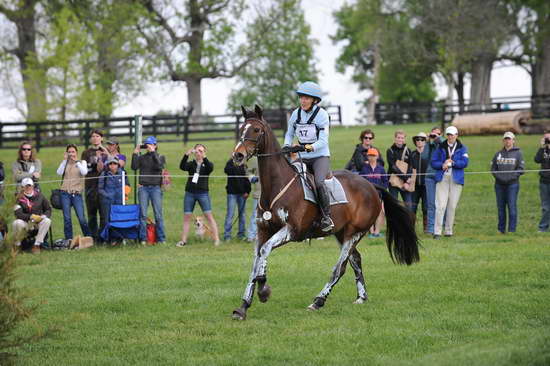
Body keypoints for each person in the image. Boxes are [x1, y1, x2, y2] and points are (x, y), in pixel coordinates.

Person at [283, 81, 334, 232]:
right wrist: (287, 145)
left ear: (314, 100)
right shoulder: (295, 114)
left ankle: (326, 217)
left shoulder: (322, 115)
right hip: (302, 156)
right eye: (301, 98)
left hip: (320, 156)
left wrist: (310, 147)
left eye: (306, 98)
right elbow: (289, 133)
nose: (303, 101)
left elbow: (324, 140)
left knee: (318, 182)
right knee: (292, 180)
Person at [177, 143, 220, 247]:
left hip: (203, 193)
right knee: (187, 217)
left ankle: (216, 239)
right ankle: (183, 241)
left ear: (204, 152)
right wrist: (186, 154)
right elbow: (182, 166)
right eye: (197, 151)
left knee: (209, 216)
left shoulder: (207, 164)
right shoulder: (191, 164)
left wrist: (204, 156)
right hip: (190, 193)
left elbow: (210, 168)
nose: (199, 153)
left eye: (201, 151)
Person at [431, 126, 469, 239]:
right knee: (440, 205)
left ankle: (448, 231)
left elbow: (465, 162)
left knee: (452, 206)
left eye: (452, 135)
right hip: (442, 177)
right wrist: (442, 164)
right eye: (448, 135)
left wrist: (453, 163)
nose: (450, 137)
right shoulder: (440, 147)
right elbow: (433, 162)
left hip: (456, 178)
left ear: (457, 135)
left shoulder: (462, 148)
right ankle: (437, 232)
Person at [132, 136, 166, 245]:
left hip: (155, 188)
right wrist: (135, 153)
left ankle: (161, 239)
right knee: (143, 214)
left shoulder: (160, 156)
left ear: (155, 145)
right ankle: (143, 239)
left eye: (151, 144)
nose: (148, 146)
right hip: (143, 188)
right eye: (147, 144)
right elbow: (134, 167)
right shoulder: (142, 157)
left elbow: (159, 166)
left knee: (158, 214)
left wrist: (153, 153)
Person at [491, 132, 525, 234]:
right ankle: (501, 229)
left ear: (513, 140)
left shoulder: (518, 153)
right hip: (499, 185)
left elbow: (521, 169)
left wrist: (510, 177)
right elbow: (493, 169)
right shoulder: (498, 154)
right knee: (501, 208)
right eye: (505, 139)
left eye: (509, 139)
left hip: (512, 185)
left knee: (512, 207)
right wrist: (500, 177)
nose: (507, 141)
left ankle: (511, 230)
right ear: (503, 141)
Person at [56, 144, 92, 241]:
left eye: (73, 152)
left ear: (76, 153)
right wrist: (64, 161)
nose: (71, 154)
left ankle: (88, 238)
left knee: (81, 218)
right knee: (67, 219)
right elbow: (58, 173)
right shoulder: (65, 163)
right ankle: (69, 240)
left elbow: (84, 172)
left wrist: (77, 162)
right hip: (65, 193)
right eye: (69, 152)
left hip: (76, 193)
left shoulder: (82, 162)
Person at [81, 129, 109, 242]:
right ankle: (93, 237)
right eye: (93, 136)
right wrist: (93, 165)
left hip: (103, 186)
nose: (95, 138)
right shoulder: (86, 153)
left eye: (97, 136)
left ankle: (102, 237)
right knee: (91, 214)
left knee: (103, 213)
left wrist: (103, 156)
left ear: (101, 138)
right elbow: (84, 169)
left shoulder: (105, 152)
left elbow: (110, 166)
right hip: (90, 185)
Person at [13, 177, 52, 253]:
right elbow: (18, 214)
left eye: (29, 186)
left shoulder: (40, 196)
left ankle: (36, 245)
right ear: (22, 187)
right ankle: (17, 245)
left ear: (33, 186)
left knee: (47, 220)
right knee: (16, 223)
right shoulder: (18, 198)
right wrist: (30, 217)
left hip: (37, 222)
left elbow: (48, 209)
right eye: (26, 186)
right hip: (26, 222)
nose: (28, 188)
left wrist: (43, 216)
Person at [99, 157, 130, 243]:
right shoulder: (104, 174)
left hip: (119, 201)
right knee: (106, 220)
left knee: (118, 220)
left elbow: (127, 185)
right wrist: (108, 196)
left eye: (114, 163)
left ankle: (118, 239)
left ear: (118, 165)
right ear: (108, 165)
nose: (112, 166)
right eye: (110, 164)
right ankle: (106, 239)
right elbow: (100, 189)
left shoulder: (123, 174)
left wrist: (125, 194)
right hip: (107, 202)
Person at [359, 148, 387, 238]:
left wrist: (382, 189)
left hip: (379, 195)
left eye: (373, 155)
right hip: (368, 195)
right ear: (367, 156)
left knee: (379, 212)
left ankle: (377, 232)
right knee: (370, 213)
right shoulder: (364, 169)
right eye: (370, 155)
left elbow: (385, 181)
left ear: (377, 156)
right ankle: (371, 232)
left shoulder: (381, 169)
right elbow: (360, 181)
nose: (372, 157)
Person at [223, 158, 251, 241]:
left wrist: (247, 191)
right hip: (232, 193)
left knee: (242, 215)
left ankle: (241, 234)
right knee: (230, 214)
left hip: (242, 194)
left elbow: (247, 179)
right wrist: (235, 164)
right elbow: (227, 171)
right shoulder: (230, 163)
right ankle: (227, 235)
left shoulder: (244, 165)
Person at [425, 127, 445, 234]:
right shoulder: (431, 146)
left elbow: (446, 152)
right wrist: (428, 142)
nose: (435, 136)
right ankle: (430, 228)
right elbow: (424, 156)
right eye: (433, 134)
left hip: (441, 176)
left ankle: (443, 226)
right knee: (431, 204)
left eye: (438, 134)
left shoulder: (444, 145)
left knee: (442, 203)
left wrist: (439, 139)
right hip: (429, 177)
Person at [386, 130, 413, 209]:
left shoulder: (408, 151)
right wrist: (406, 178)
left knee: (409, 206)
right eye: (398, 137)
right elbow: (393, 167)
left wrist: (406, 181)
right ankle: (395, 221)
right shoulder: (390, 151)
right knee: (394, 205)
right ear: (395, 138)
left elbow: (410, 166)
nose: (400, 139)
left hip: (405, 182)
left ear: (404, 139)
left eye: (402, 138)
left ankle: (407, 221)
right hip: (393, 182)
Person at [410, 132, 430, 232]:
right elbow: (409, 169)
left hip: (426, 185)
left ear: (425, 141)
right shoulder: (412, 154)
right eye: (417, 139)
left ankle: (426, 228)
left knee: (426, 207)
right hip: (415, 185)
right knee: (413, 207)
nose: (419, 141)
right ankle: (411, 229)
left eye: (422, 139)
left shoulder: (429, 154)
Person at [534, 129, 550, 232]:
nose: (547, 140)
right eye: (546, 138)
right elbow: (537, 160)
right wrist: (541, 147)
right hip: (544, 181)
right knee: (545, 206)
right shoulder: (543, 150)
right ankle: (543, 228)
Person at [246, 157, 260, 243]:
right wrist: (251, 178)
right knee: (255, 215)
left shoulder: (273, 157)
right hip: (258, 193)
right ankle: (251, 236)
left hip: (272, 194)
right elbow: (248, 172)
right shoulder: (255, 160)